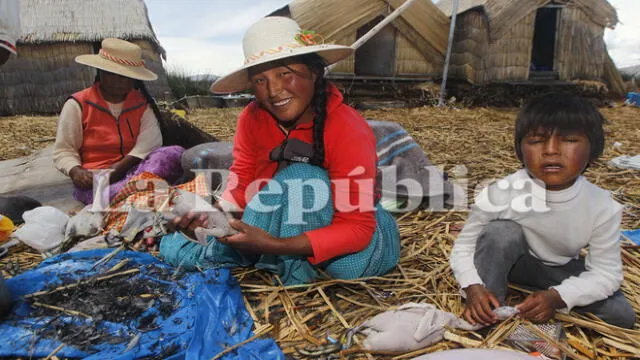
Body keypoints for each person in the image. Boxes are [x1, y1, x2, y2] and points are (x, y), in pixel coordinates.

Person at [160, 17, 400, 285]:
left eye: (285, 74)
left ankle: (281, 259)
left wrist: (275, 245)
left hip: (349, 228)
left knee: (303, 182)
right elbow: (243, 181)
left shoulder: (346, 127)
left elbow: (356, 228)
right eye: (260, 80)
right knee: (177, 248)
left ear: (314, 72)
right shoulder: (252, 119)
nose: (273, 91)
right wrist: (214, 215)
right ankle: (275, 256)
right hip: (281, 219)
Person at [450, 93, 636, 329]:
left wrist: (558, 297)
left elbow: (606, 274)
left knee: (622, 315)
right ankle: (488, 313)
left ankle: (535, 294)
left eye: (568, 139)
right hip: (513, 263)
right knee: (500, 232)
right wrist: (473, 286)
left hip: (558, 271)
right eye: (536, 141)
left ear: (593, 149)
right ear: (520, 150)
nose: (550, 150)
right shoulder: (501, 192)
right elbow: (464, 246)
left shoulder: (603, 206)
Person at [53, 38, 184, 205]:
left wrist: (119, 169)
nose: (117, 82)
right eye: (110, 74)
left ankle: (136, 191)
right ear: (100, 72)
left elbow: (150, 141)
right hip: (97, 180)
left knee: (174, 153)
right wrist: (75, 171)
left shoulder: (141, 104)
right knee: (103, 196)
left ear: (133, 79)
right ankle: (140, 191)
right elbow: (64, 150)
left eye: (124, 76)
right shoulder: (78, 104)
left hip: (135, 169)